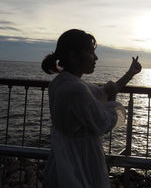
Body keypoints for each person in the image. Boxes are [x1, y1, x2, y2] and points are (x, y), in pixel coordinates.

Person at [41, 29, 141, 188]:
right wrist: (114, 103)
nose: (96, 58)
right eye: (90, 52)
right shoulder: (76, 89)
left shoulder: (60, 83)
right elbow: (103, 122)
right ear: (74, 56)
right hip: (82, 162)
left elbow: (103, 92)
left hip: (64, 157)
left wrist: (130, 74)